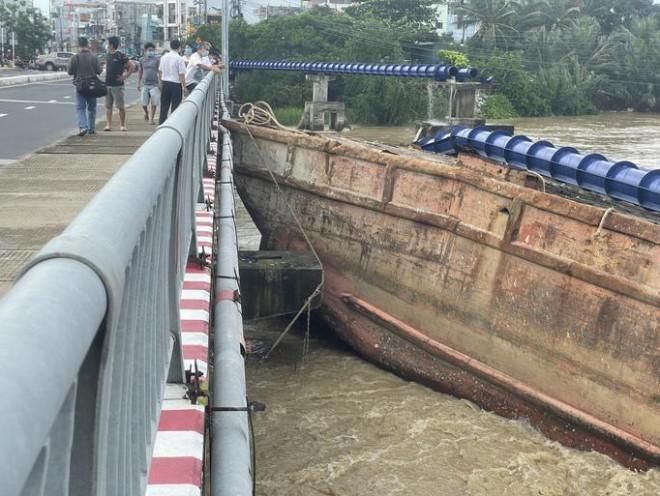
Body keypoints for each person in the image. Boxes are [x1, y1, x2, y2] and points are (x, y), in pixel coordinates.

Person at [67, 37, 102, 136]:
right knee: (92, 108)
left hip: (80, 86)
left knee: (80, 108)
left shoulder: (74, 58)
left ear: (78, 46)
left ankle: (83, 126)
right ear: (88, 45)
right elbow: (100, 71)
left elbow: (69, 72)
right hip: (92, 86)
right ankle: (91, 129)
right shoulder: (94, 57)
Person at [104, 36, 135, 132]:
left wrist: (124, 77)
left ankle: (122, 125)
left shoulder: (120, 55)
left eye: (108, 43)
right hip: (107, 84)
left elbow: (132, 65)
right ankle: (108, 125)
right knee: (108, 106)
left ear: (112, 44)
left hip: (118, 86)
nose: (107, 45)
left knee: (120, 106)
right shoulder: (108, 54)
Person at [157, 39, 186, 125]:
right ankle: (173, 124)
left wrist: (161, 82)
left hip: (165, 83)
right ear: (179, 48)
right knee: (175, 106)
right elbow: (181, 75)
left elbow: (160, 71)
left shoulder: (163, 57)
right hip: (176, 84)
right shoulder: (179, 58)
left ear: (170, 47)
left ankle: (161, 124)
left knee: (164, 106)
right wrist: (184, 87)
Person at [137, 42, 161, 125]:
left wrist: (161, 82)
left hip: (154, 84)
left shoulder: (156, 60)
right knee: (144, 103)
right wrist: (138, 83)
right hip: (145, 84)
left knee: (154, 102)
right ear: (145, 51)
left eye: (152, 50)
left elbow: (159, 71)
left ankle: (151, 119)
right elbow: (140, 72)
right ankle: (146, 113)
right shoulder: (141, 60)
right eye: (149, 50)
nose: (151, 51)